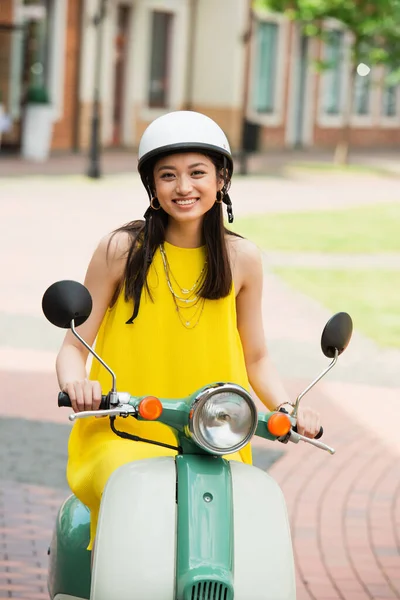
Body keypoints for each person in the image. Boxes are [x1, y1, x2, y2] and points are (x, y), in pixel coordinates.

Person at [55, 111, 321, 550]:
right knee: (132, 503)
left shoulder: (243, 258)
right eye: (168, 176)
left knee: (247, 520)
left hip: (215, 437)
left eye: (198, 173)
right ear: (152, 188)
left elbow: (257, 357)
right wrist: (76, 385)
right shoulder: (122, 250)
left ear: (221, 180)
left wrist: (289, 409)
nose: (183, 187)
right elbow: (72, 344)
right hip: (126, 429)